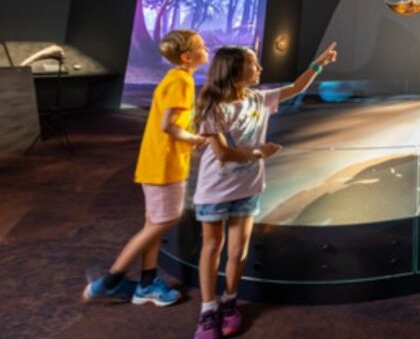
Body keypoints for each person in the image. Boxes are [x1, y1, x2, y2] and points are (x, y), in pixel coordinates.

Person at [192, 42, 338, 339]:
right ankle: (208, 310)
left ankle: (230, 302)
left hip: (248, 188)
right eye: (253, 63)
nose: (260, 68)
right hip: (215, 189)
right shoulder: (213, 106)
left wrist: (319, 64)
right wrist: (262, 153)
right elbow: (223, 154)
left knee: (237, 251)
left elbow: (296, 87)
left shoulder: (259, 99)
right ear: (234, 70)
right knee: (211, 248)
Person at [83, 29, 209, 306]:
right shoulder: (182, 82)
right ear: (188, 56)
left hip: (156, 161)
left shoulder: (175, 77)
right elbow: (168, 126)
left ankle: (147, 284)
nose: (206, 48)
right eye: (201, 46)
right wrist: (195, 139)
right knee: (164, 221)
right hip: (165, 164)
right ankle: (110, 281)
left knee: (154, 223)